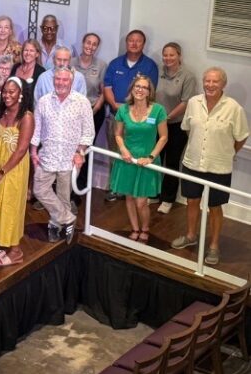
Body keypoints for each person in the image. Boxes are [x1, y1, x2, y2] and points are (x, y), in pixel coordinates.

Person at [171, 68, 248, 265]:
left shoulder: (234, 108)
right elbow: (188, 130)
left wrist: (226, 153)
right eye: (207, 81)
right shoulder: (194, 103)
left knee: (215, 207)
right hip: (193, 163)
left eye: (215, 81)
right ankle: (190, 236)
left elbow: (241, 137)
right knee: (192, 202)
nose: (210, 85)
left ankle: (214, 245)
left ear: (223, 84)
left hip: (219, 167)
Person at [30, 68, 95, 244]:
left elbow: (88, 133)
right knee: (39, 189)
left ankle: (56, 226)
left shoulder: (82, 102)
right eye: (57, 79)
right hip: (47, 155)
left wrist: (80, 152)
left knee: (64, 196)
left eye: (64, 80)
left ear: (71, 82)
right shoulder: (43, 101)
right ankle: (68, 218)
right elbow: (36, 130)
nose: (60, 83)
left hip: (70, 157)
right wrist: (33, 150)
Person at [109, 75, 168, 242]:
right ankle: (135, 228)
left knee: (141, 201)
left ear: (150, 91)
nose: (140, 90)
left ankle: (145, 228)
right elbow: (118, 134)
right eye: (137, 86)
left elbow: (163, 137)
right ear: (132, 89)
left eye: (144, 87)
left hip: (146, 161)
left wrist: (150, 157)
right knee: (129, 197)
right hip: (128, 160)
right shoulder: (123, 110)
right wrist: (123, 150)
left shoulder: (158, 110)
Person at [103, 28, 159, 201]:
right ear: (126, 43)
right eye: (131, 40)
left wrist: (130, 110)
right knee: (117, 152)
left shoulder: (150, 66)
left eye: (138, 41)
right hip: (116, 116)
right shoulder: (115, 63)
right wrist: (117, 107)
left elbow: (150, 92)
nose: (134, 43)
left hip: (139, 120)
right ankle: (116, 187)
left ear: (143, 44)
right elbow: (107, 88)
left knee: (137, 154)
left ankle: (135, 189)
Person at [0, 78, 34, 266]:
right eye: (5, 91)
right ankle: (5, 244)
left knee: (11, 207)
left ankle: (16, 251)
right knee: (0, 205)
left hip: (13, 169)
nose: (7, 95)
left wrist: (2, 172)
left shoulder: (26, 117)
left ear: (21, 93)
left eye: (12, 91)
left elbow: (21, 150)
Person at [156, 42, 197, 214]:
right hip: (156, 124)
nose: (168, 58)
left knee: (171, 162)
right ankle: (153, 193)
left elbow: (186, 102)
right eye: (165, 55)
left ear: (179, 56)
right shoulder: (158, 72)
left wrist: (167, 117)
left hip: (176, 126)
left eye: (172, 55)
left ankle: (167, 199)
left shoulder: (188, 76)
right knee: (155, 159)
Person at [73, 33, 108, 196]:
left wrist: (93, 111)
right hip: (72, 114)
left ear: (97, 47)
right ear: (82, 43)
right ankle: (68, 184)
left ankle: (81, 186)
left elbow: (103, 92)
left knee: (85, 148)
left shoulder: (101, 65)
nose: (90, 46)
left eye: (94, 44)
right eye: (88, 42)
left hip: (94, 112)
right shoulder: (72, 62)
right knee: (71, 147)